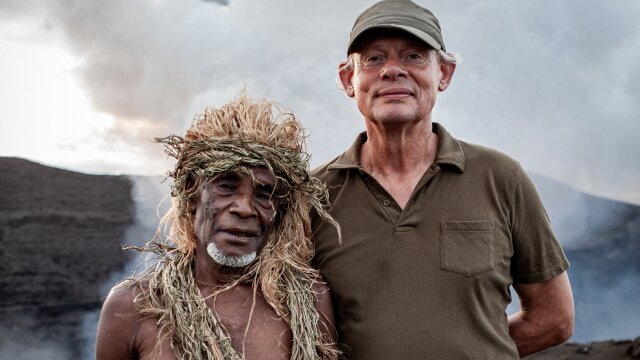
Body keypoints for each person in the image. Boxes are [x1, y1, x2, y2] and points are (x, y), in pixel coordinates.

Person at [311, 1, 574, 359]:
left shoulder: (501, 178)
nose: (392, 70)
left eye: (414, 56)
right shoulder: (313, 197)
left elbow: (553, 319)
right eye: (373, 58)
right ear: (348, 80)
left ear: (444, 74)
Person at [96, 94, 341, 360]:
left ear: (277, 211)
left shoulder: (308, 300)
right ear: (191, 197)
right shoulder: (132, 307)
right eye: (226, 186)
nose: (245, 208)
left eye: (264, 194)